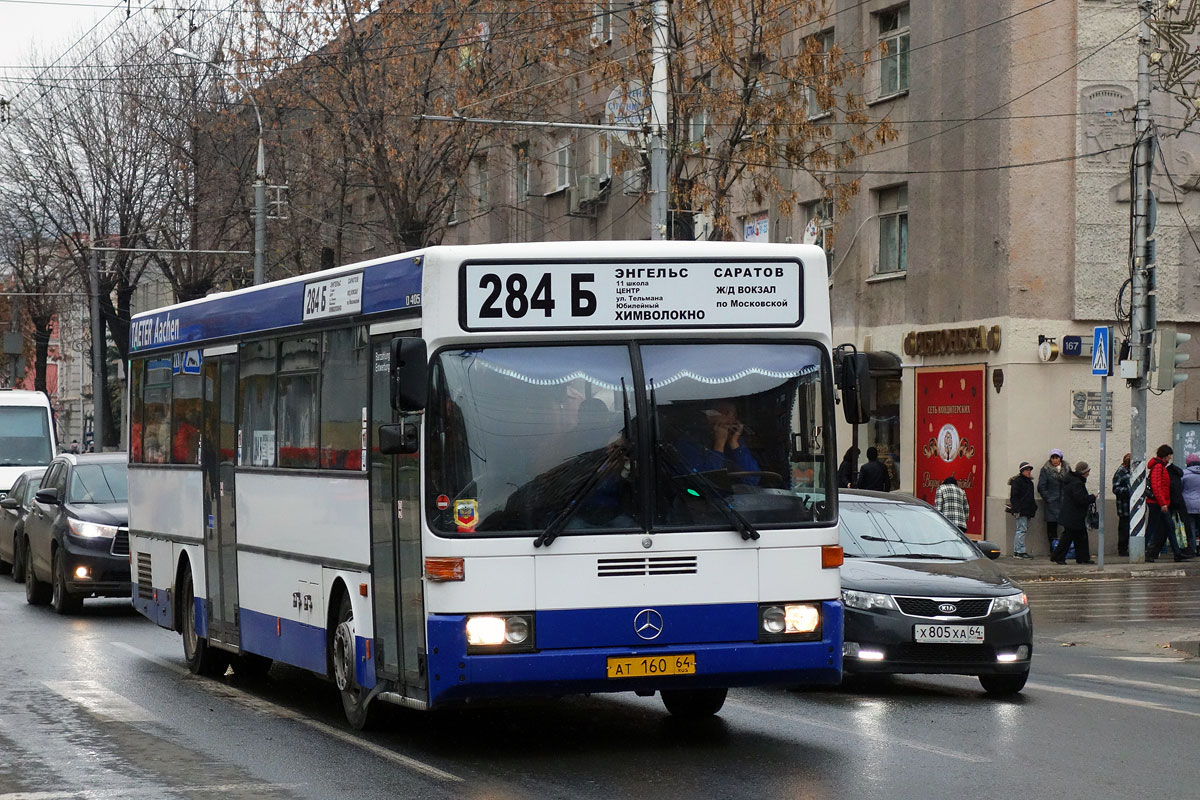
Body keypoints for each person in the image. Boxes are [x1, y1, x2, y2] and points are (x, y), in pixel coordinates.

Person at [673, 400, 760, 477]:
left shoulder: (735, 440)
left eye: (734, 415)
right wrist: (719, 444)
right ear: (709, 416)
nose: (730, 419)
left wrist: (735, 444)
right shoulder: (690, 442)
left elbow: (753, 478)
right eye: (725, 413)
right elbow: (708, 479)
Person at [1145, 444, 1188, 563]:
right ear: (1165, 455)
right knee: (1155, 527)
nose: (1170, 458)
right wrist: (1163, 503)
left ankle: (1176, 553)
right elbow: (1157, 486)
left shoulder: (1159, 466)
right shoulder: (1158, 467)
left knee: (1168, 527)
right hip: (1158, 503)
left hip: (1160, 502)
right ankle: (1146, 551)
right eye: (1169, 455)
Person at [1051, 461, 1095, 565]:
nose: (1088, 474)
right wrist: (1092, 498)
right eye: (1088, 472)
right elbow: (1080, 499)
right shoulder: (1077, 483)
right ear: (1084, 472)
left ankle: (1082, 558)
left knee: (1080, 537)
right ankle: (1059, 557)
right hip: (1073, 516)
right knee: (1068, 538)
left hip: (1073, 515)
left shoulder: (1073, 480)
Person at [1037, 448, 1068, 552]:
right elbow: (1041, 486)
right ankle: (1053, 550)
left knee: (1066, 528)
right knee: (1052, 528)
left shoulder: (1067, 469)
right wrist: (1048, 498)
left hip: (1064, 503)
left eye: (1057, 457)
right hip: (1051, 503)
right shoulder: (1045, 470)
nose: (1055, 460)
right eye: (1053, 458)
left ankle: (1065, 550)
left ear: (1060, 458)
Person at [1008, 461, 1037, 558]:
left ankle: (1018, 550)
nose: (1028, 472)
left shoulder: (1030, 483)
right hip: (1021, 510)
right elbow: (1014, 497)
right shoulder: (1018, 482)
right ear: (1022, 471)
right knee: (1021, 530)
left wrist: (1033, 507)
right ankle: (1019, 551)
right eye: (1026, 470)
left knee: (1022, 530)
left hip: (1027, 509)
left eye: (1029, 470)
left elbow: (1030, 498)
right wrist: (1017, 509)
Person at [1112, 453, 1132, 557]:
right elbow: (1115, 488)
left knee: (1129, 528)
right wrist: (1129, 490)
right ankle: (1123, 549)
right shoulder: (1121, 472)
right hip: (1124, 506)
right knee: (1124, 528)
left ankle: (1128, 547)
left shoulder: (1131, 471)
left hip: (1132, 506)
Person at [1182, 453, 1200, 555]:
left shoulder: (1184, 473)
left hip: (1188, 504)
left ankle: (1192, 549)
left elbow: (1180, 487)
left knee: (1191, 527)